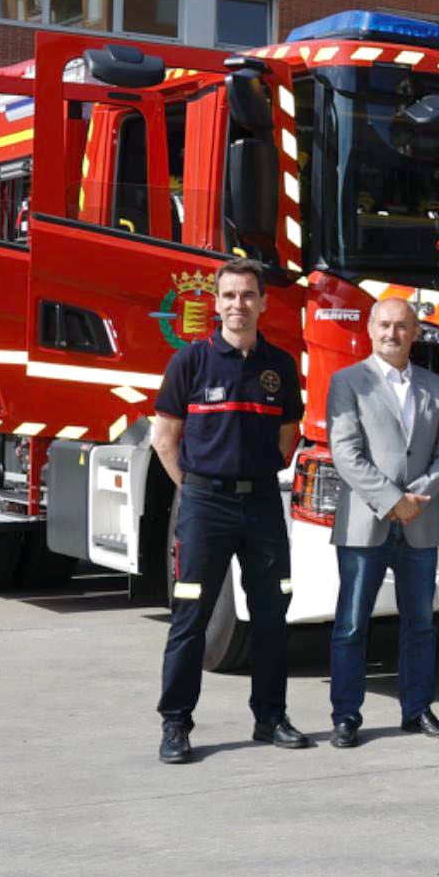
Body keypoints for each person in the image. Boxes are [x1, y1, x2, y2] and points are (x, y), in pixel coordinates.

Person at [151, 259, 310, 764]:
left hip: (262, 503)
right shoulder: (190, 362)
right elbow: (164, 439)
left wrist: (253, 478)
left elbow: (288, 437)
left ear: (263, 303)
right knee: (190, 617)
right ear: (215, 303)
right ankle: (175, 725)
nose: (238, 304)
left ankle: (271, 718)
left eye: (247, 295)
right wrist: (196, 490)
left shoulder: (280, 366)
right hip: (205, 504)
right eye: (229, 296)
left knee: (270, 615)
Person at [323, 297, 439, 746]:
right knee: (351, 624)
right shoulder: (347, 382)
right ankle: (346, 716)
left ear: (415, 332)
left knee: (420, 623)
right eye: (384, 324)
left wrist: (417, 495)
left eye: (402, 326)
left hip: (418, 521)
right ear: (369, 328)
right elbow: (345, 452)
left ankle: (417, 709)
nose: (392, 333)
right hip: (366, 523)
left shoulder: (436, 386)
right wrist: (392, 500)